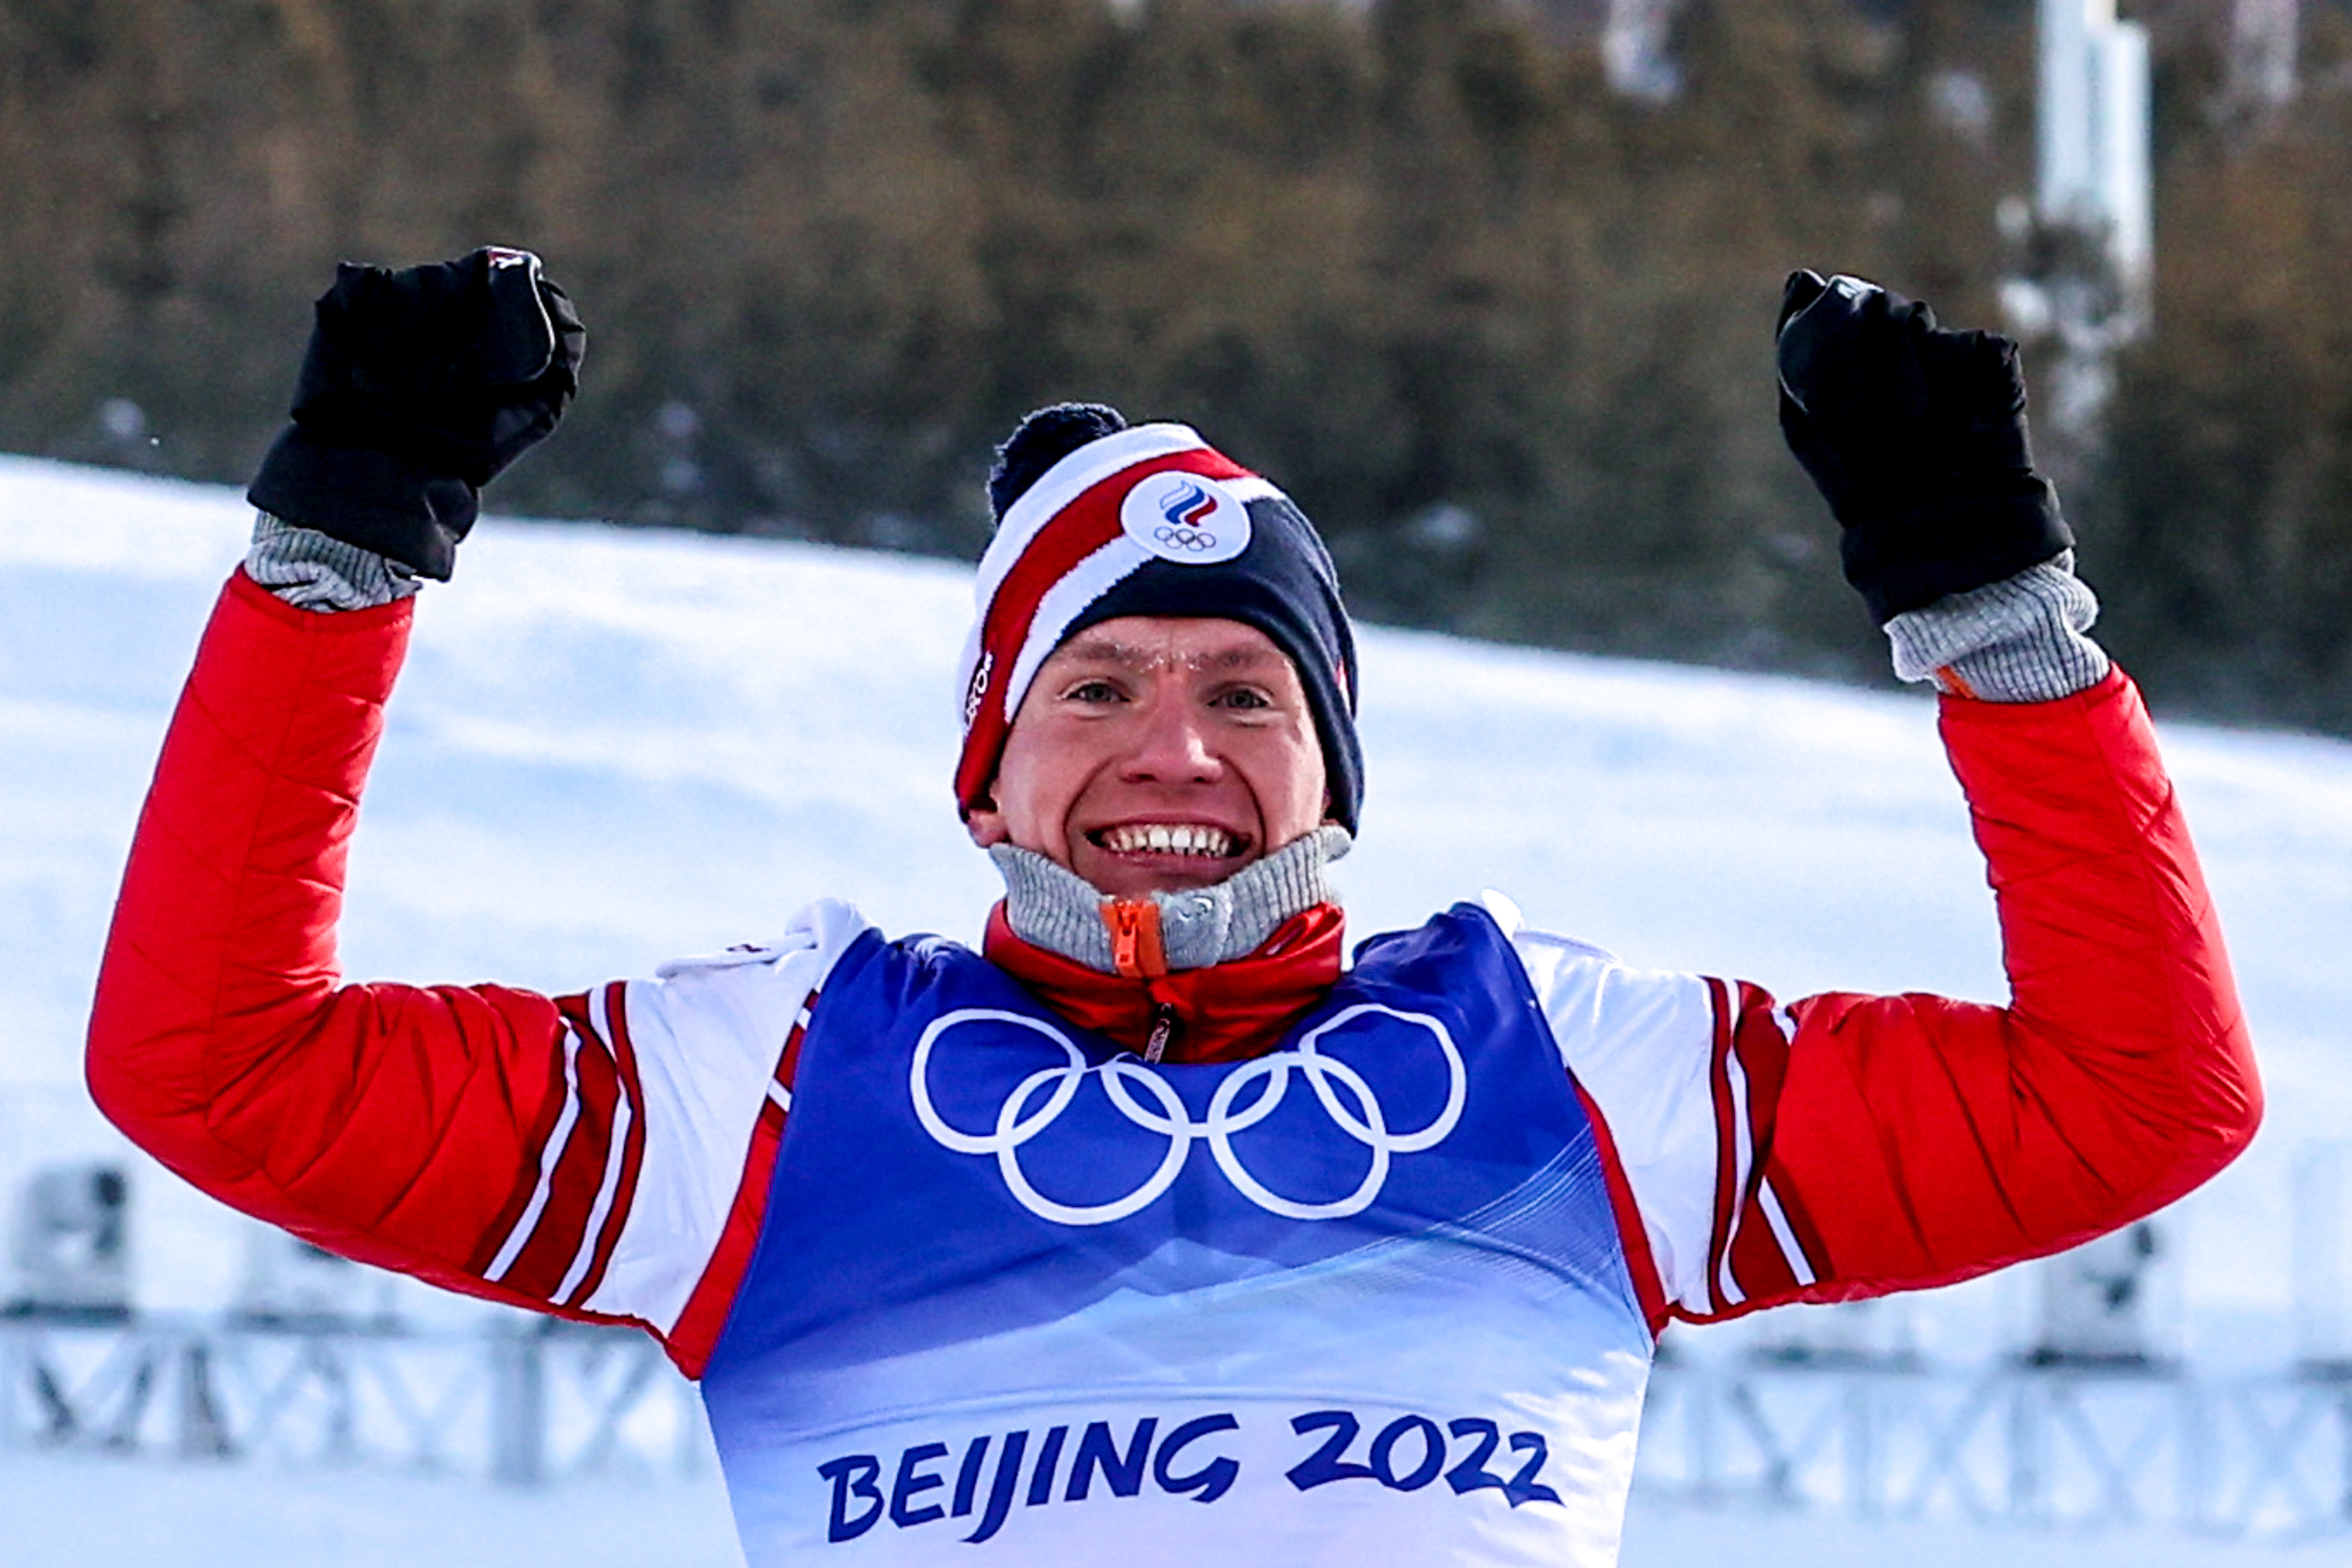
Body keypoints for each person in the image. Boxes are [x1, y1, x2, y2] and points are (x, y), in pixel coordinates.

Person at [86, 252, 2259, 1566]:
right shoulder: (772, 1084)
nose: (1176, 753)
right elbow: (214, 1066)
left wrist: (1990, 613)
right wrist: (342, 552)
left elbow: (2135, 1100)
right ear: (988, 763)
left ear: (1336, 766)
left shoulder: (1565, 1074)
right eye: (1098, 686)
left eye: (1247, 691)